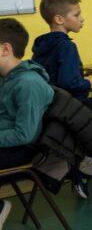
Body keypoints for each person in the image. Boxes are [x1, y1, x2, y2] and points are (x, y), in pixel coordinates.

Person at [31, 0, 92, 197]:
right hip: (72, 107)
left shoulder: (42, 45)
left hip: (51, 109)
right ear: (59, 19)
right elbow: (69, 83)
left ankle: (79, 161)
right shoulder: (67, 46)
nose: (82, 19)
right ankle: (81, 168)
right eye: (76, 14)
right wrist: (88, 82)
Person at [0, 18, 54, 170]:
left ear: (5, 50)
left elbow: (25, 135)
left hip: (19, 149)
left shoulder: (28, 83)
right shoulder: (5, 77)